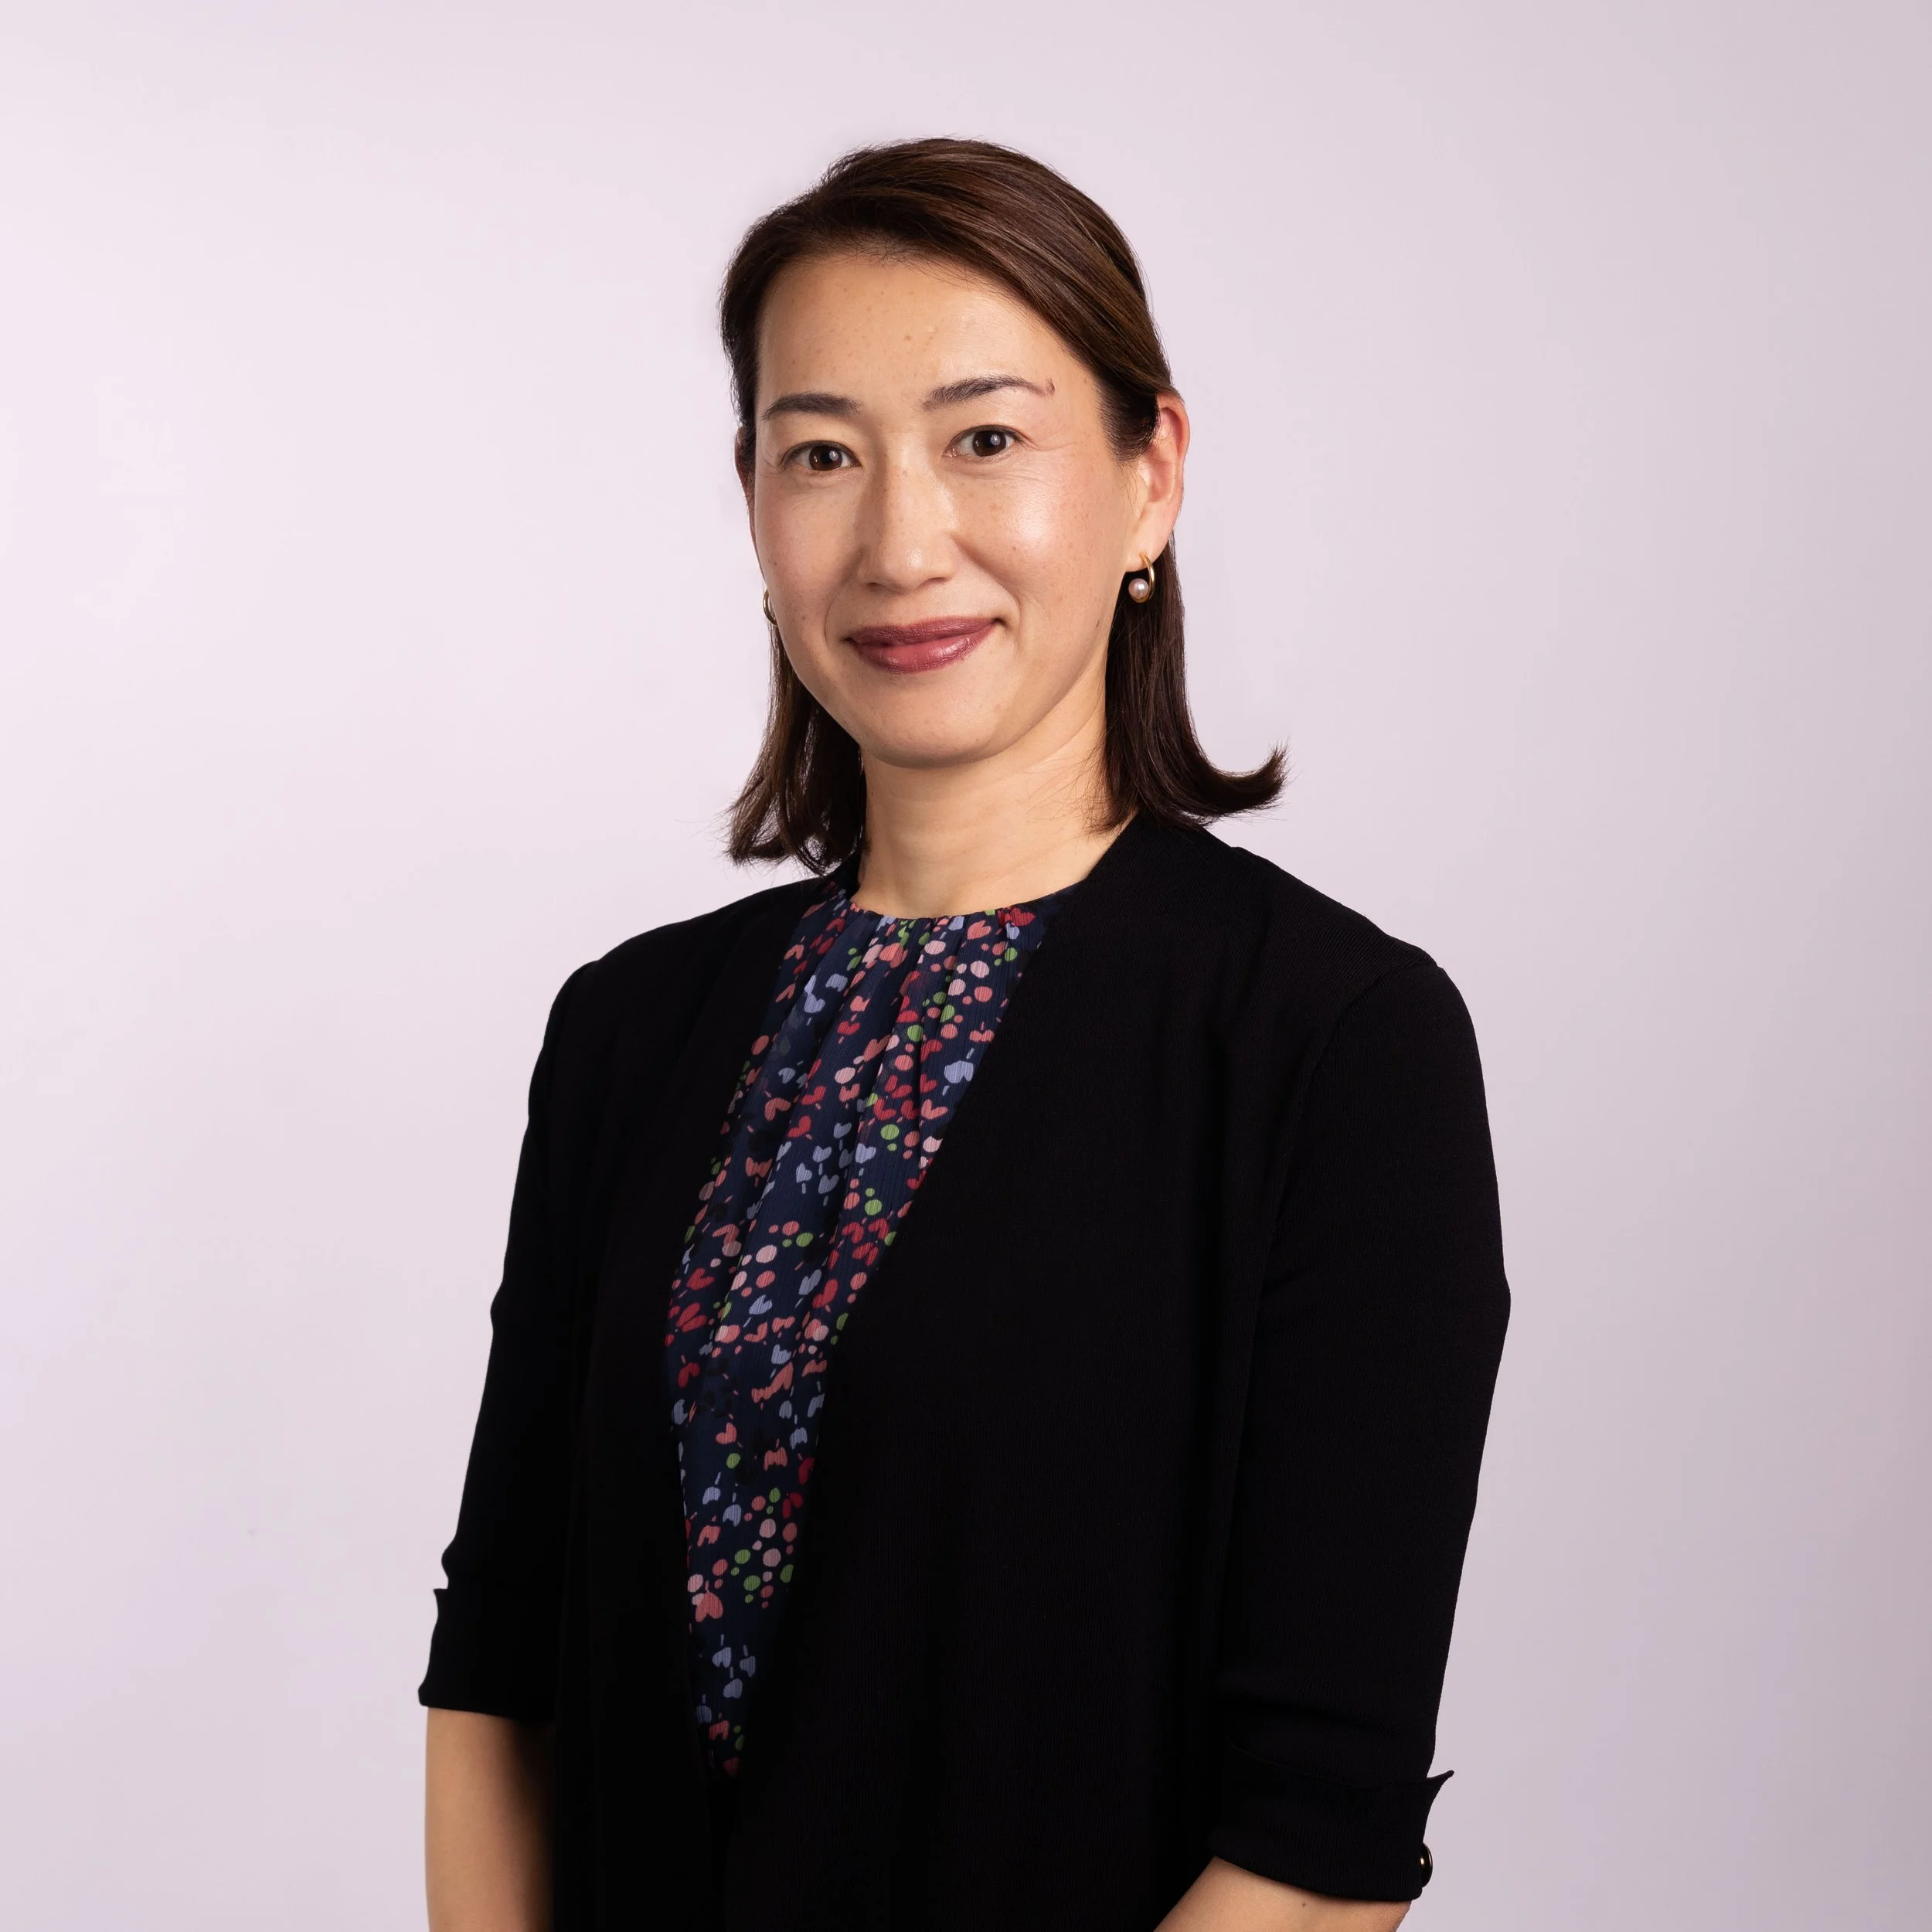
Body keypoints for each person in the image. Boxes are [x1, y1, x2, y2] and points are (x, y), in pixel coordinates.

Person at [420, 138, 1509, 1932]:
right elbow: (498, 1663)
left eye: (983, 437)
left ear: (1149, 475)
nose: (898, 537)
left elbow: (1317, 1838)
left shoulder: (1331, 1042)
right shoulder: (629, 1025)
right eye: (821, 452)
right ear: (753, 504)